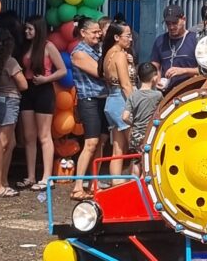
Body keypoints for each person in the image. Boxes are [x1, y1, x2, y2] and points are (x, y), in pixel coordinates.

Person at [18, 15, 67, 191]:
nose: (27, 32)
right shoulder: (25, 46)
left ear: (38, 29)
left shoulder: (48, 46)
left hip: (44, 89)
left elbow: (62, 70)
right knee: (29, 135)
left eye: (30, 29)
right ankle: (30, 175)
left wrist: (47, 79)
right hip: (28, 88)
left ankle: (47, 176)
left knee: (44, 135)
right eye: (26, 29)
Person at [0, 29, 28, 197]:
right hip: (8, 102)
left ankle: (2, 180)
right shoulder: (10, 62)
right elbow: (23, 85)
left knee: (10, 143)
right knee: (1, 143)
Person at [70, 17, 106, 201]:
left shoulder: (99, 49)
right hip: (88, 100)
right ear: (83, 33)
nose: (98, 35)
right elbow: (101, 73)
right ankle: (77, 186)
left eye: (99, 31)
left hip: (103, 99)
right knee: (90, 143)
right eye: (94, 32)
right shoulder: (79, 53)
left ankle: (94, 183)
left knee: (101, 142)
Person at [100, 21, 136, 177]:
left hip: (112, 102)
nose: (131, 39)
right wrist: (136, 105)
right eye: (127, 36)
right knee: (137, 145)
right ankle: (139, 181)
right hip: (122, 102)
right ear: (116, 37)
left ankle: (115, 182)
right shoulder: (120, 55)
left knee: (118, 148)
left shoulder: (108, 54)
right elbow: (126, 85)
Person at [122, 62, 163, 177]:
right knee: (148, 161)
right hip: (150, 134)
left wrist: (133, 124)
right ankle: (144, 187)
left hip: (135, 134)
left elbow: (124, 117)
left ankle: (134, 185)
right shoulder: (158, 95)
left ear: (139, 77)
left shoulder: (133, 95)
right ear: (155, 78)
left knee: (136, 161)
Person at [151, 5, 199, 91]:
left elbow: (205, 71)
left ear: (184, 19)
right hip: (167, 94)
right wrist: (157, 80)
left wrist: (184, 71)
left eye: (175, 23)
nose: (171, 27)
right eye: (168, 24)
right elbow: (154, 67)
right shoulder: (160, 41)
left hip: (190, 92)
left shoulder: (195, 40)